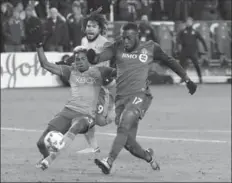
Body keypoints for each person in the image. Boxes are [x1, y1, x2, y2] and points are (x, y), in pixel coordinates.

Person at [86, 22, 197, 174]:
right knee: (128, 143)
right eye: (123, 38)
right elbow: (98, 58)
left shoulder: (151, 47)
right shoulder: (116, 46)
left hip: (140, 95)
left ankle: (109, 161)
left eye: (128, 38)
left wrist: (186, 79)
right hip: (121, 99)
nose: (125, 41)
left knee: (124, 125)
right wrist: (92, 57)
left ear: (137, 36)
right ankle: (148, 157)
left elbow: (169, 61)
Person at [29, 23, 116, 170]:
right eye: (77, 59)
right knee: (40, 143)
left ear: (88, 60)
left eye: (82, 59)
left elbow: (120, 73)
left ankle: (48, 160)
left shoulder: (99, 71)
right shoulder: (71, 71)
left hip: (86, 115)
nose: (79, 61)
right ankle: (45, 159)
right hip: (68, 111)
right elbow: (45, 64)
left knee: (76, 126)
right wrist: (39, 46)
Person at [76, 8, 116, 154]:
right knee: (84, 115)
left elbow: (104, 67)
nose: (90, 28)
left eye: (93, 26)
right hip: (87, 86)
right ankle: (93, 147)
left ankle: (119, 112)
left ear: (100, 28)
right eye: (88, 26)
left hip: (101, 87)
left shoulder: (105, 43)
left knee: (100, 121)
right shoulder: (83, 41)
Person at [176, 17, 208, 83]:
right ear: (186, 23)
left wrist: (206, 48)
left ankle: (200, 78)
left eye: (190, 22)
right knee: (182, 65)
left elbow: (201, 39)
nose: (188, 23)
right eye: (187, 22)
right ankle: (182, 79)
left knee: (196, 65)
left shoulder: (195, 32)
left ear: (192, 23)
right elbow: (178, 39)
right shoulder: (182, 31)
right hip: (184, 50)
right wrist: (178, 46)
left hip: (193, 51)